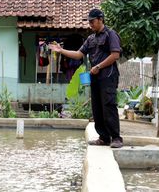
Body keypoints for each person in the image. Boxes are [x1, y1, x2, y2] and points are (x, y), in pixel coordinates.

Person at [49, 8, 123, 148]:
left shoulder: (110, 34)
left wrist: (99, 67)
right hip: (95, 78)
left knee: (109, 106)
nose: (90, 24)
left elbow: (115, 55)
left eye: (92, 21)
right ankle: (104, 138)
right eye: (89, 22)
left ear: (100, 20)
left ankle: (116, 138)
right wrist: (61, 50)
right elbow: (78, 54)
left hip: (108, 77)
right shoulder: (91, 39)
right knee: (97, 108)